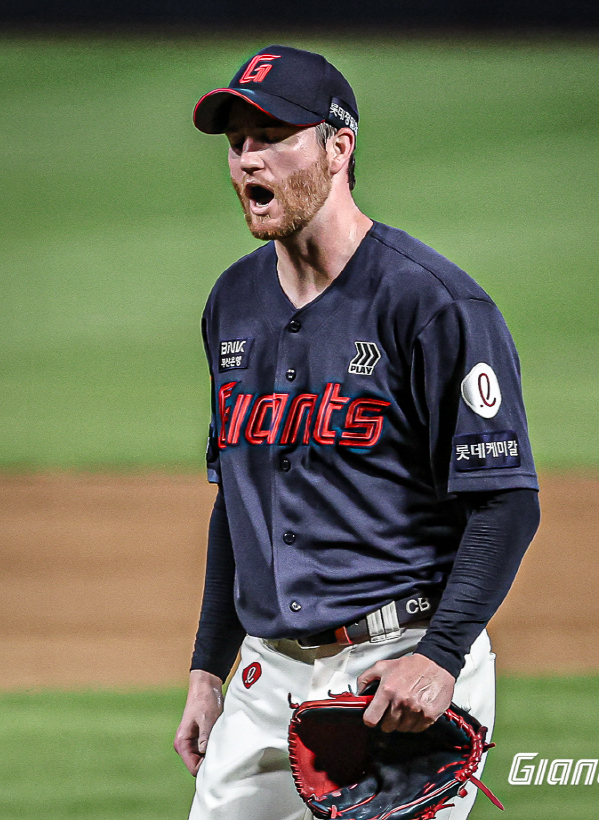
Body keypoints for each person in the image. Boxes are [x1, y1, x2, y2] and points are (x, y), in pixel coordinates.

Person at [174, 45, 540, 820]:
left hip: (397, 674)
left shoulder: (432, 304)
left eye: (271, 136)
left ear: (339, 147)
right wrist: (209, 668)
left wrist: (439, 657)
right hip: (264, 678)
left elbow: (506, 501)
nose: (246, 160)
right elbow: (237, 502)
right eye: (237, 142)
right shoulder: (232, 302)